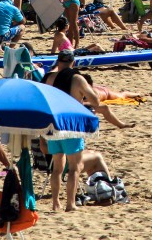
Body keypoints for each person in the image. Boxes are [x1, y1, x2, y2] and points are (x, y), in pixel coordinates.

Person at [43, 50, 134, 211]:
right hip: (71, 126)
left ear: (58, 61)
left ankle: (55, 203)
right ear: (73, 62)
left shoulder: (49, 77)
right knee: (74, 168)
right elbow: (95, 100)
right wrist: (81, 98)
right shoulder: (77, 78)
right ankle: (70, 204)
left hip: (52, 126)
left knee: (57, 168)